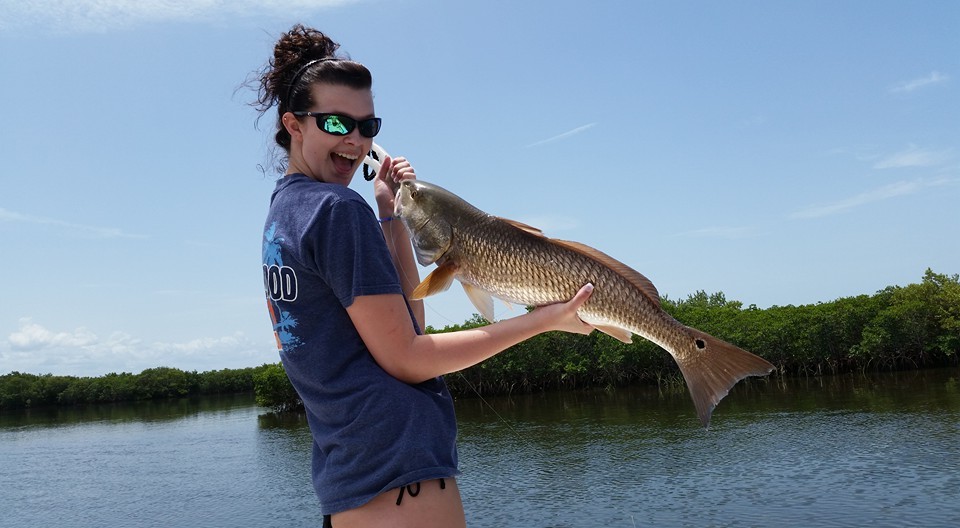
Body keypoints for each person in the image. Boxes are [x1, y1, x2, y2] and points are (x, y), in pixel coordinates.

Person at [254, 24, 595, 528]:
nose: (354, 140)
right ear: (295, 124)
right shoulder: (335, 210)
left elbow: (409, 321)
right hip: (401, 484)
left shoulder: (286, 213)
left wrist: (391, 213)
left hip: (352, 483)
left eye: (368, 127)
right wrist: (543, 321)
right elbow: (409, 359)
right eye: (335, 123)